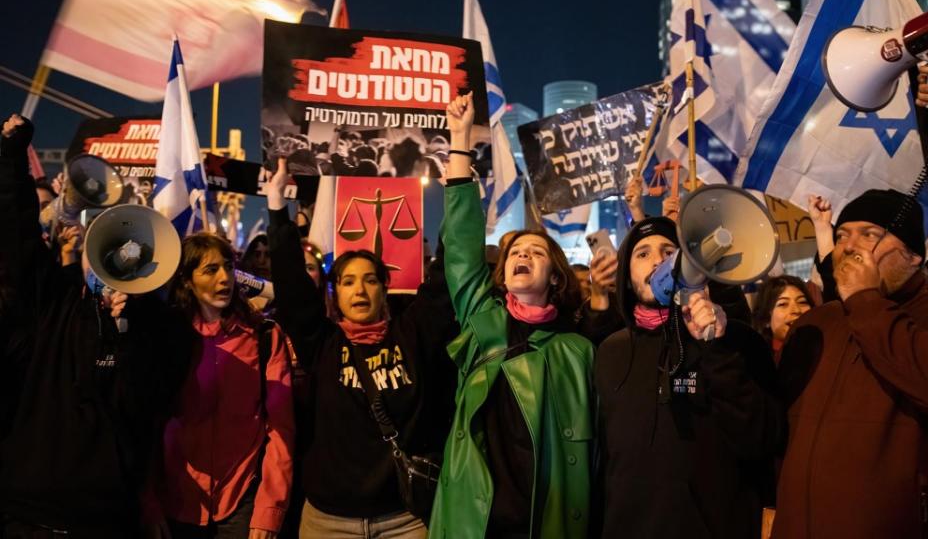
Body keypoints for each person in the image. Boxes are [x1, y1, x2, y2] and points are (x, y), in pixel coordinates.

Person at [0, 114, 191, 538]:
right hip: (30, 517)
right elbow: (19, 242)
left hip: (108, 519)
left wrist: (125, 332)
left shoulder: (155, 327)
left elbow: (147, 403)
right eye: (100, 248)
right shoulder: (53, 303)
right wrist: (11, 157)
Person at [429, 93, 595, 539]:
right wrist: (460, 139)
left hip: (545, 524)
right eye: (515, 252)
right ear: (502, 274)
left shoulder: (578, 352)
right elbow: (462, 247)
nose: (522, 254)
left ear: (555, 277)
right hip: (475, 524)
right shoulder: (483, 321)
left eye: (535, 251)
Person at [265, 158, 457, 539]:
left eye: (370, 280)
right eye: (349, 281)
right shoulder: (322, 341)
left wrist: (456, 197)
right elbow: (290, 286)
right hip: (329, 521)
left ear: (385, 287)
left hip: (404, 519)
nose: (360, 289)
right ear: (335, 293)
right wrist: (276, 207)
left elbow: (444, 277)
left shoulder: (413, 332)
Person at [774, 188, 928, 538]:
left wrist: (865, 300)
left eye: (870, 234)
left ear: (913, 255)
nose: (849, 245)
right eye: (842, 235)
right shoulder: (814, 325)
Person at [587, 215, 783, 539]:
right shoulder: (610, 351)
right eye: (642, 253)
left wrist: (716, 347)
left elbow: (760, 438)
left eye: (668, 250)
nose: (657, 261)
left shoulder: (734, 339)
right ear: (627, 274)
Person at [144, 233, 295, 539]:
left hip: (243, 501)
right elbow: (146, 423)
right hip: (177, 500)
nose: (224, 278)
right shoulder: (166, 337)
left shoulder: (263, 335)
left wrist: (270, 510)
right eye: (210, 270)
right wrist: (148, 501)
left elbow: (281, 429)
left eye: (227, 266)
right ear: (186, 280)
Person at [751, 275, 814, 363]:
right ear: (766, 320)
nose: (796, 310)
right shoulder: (758, 363)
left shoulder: (829, 349)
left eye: (802, 302)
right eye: (783, 304)